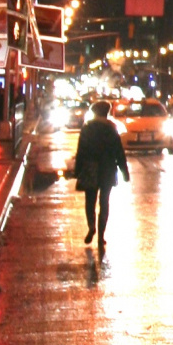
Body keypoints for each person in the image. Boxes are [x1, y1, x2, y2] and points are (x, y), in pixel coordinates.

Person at [74, 100, 128, 253]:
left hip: (90, 168)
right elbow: (119, 152)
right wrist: (124, 171)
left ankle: (91, 226)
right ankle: (101, 235)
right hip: (108, 170)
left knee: (90, 201)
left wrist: (77, 170)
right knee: (105, 202)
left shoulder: (87, 128)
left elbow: (81, 151)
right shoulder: (111, 129)